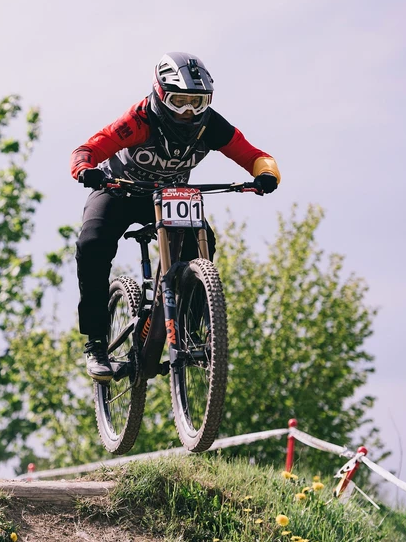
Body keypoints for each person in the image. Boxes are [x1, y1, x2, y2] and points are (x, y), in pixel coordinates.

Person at [71, 52, 281, 381]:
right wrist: (85, 169)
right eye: (179, 101)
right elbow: (89, 149)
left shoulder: (211, 126)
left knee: (203, 244)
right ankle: (96, 343)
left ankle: (190, 330)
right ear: (158, 95)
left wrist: (266, 174)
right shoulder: (138, 120)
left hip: (168, 196)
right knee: (92, 244)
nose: (187, 112)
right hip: (118, 190)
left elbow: (256, 156)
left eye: (197, 103)